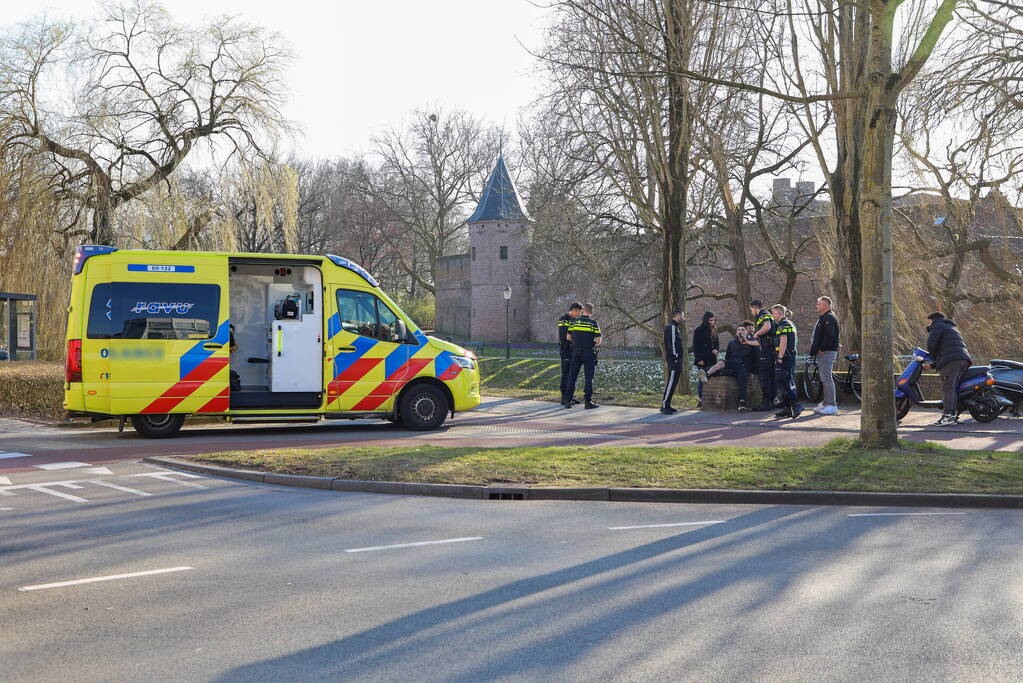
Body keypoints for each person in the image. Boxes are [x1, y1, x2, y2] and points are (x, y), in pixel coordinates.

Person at [926, 312, 972, 426]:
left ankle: (947, 416)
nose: (928, 324)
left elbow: (932, 345)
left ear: (933, 320)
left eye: (929, 321)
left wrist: (931, 358)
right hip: (962, 359)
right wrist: (934, 365)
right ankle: (952, 416)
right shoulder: (950, 327)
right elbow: (946, 351)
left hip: (952, 361)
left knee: (948, 389)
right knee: (952, 388)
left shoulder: (937, 326)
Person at [711, 321, 760, 411]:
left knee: (742, 377)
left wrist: (753, 371)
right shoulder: (732, 343)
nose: (740, 331)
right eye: (739, 330)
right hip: (732, 364)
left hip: (743, 366)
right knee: (721, 364)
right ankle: (706, 374)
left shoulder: (751, 343)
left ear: (746, 332)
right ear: (737, 332)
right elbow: (728, 356)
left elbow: (755, 357)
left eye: (743, 330)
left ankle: (742, 402)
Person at [563, 302, 602, 409]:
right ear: (591, 312)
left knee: (572, 377)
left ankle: (568, 401)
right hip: (588, 352)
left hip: (576, 352)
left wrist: (577, 343)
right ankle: (588, 402)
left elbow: (568, 337)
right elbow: (598, 340)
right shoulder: (593, 323)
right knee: (588, 378)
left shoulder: (574, 322)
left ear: (583, 310)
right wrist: (591, 342)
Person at [808, 296, 841, 415]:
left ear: (826, 305)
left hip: (826, 352)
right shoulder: (824, 317)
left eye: (819, 304)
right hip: (824, 351)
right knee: (824, 378)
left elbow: (830, 336)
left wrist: (822, 348)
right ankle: (826, 402)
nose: (816, 306)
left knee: (827, 378)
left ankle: (832, 405)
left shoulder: (829, 318)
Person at [771, 304, 803, 418]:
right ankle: (788, 408)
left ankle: (795, 404)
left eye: (773, 313)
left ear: (779, 313)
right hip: (790, 356)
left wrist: (779, 357)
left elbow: (783, 342)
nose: (772, 315)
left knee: (782, 380)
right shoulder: (790, 324)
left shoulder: (783, 325)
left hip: (785, 358)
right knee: (785, 380)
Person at [749, 300, 776, 410]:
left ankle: (766, 402)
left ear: (755, 307)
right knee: (771, 376)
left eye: (751, 309)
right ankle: (771, 401)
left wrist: (757, 333)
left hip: (767, 350)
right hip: (770, 349)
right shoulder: (768, 315)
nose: (752, 312)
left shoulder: (763, 314)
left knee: (765, 376)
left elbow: (767, 326)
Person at [660, 309, 686, 414]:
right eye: (682, 315)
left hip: (675, 360)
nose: (683, 318)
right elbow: (672, 344)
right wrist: (676, 357)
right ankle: (664, 405)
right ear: (677, 315)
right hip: (674, 360)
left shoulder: (674, 327)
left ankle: (667, 404)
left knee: (673, 383)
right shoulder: (672, 327)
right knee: (671, 383)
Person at [558, 302, 584, 406]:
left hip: (573, 350)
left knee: (571, 375)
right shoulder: (564, 319)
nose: (579, 315)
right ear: (574, 310)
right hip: (566, 350)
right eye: (579, 312)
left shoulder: (573, 320)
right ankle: (564, 397)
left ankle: (570, 397)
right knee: (566, 374)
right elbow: (566, 336)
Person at [692, 311, 719, 409]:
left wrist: (716, 350)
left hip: (712, 358)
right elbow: (696, 346)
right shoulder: (698, 330)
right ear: (706, 320)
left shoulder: (714, 329)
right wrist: (699, 359)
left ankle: (709, 399)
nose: (712, 322)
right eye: (710, 320)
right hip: (702, 359)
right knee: (702, 378)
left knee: (710, 377)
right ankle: (701, 399)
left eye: (713, 320)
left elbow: (716, 343)